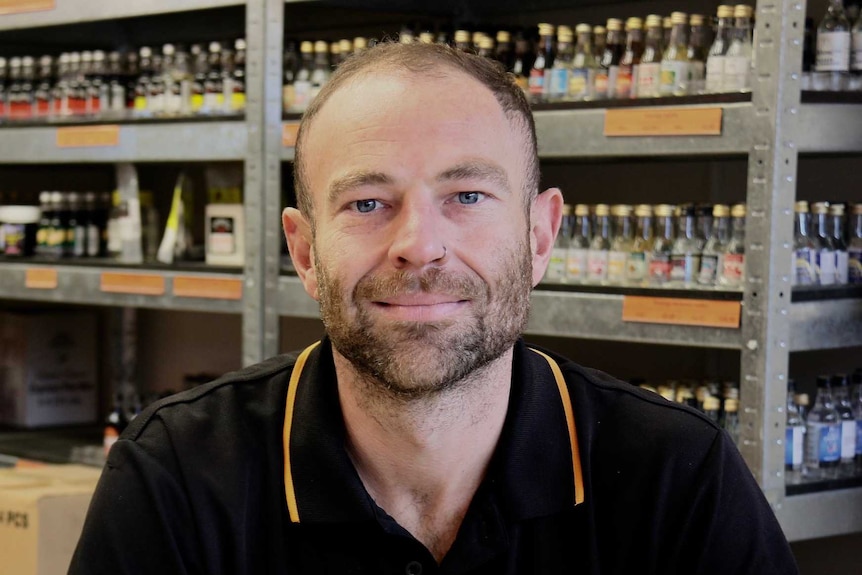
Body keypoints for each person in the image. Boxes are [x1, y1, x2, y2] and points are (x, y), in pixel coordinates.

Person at [70, 42, 798, 574]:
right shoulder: (178, 479)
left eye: (468, 196)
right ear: (304, 251)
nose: (419, 245)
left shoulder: (678, 478)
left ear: (541, 234)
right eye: (366, 202)